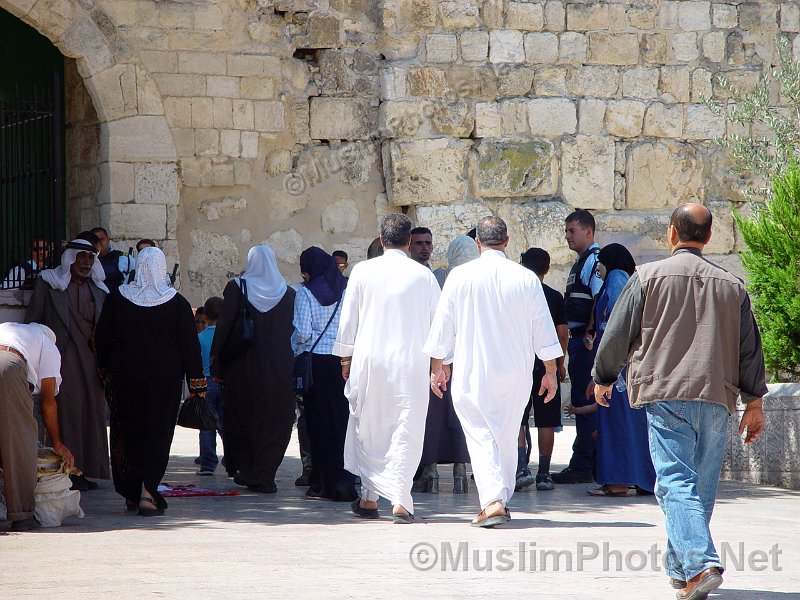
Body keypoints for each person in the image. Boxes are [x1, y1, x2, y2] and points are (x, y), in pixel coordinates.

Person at [592, 204, 767, 598]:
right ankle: (682, 570)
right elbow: (749, 350)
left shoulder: (646, 277)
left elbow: (618, 333)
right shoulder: (733, 286)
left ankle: (701, 564)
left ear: (672, 234)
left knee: (675, 484)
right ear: (707, 238)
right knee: (698, 490)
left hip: (666, 393)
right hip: (717, 396)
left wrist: (603, 376)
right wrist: (754, 402)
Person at [424, 217, 562, 527]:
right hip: (515, 373)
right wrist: (550, 371)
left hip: (473, 370)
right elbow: (544, 329)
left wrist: (437, 367)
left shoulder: (460, 277)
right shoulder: (526, 279)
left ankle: (493, 501)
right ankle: (500, 496)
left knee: (481, 434)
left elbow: (443, 327)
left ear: (477, 243)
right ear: (508, 241)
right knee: (505, 433)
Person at [334, 214, 440, 524]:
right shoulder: (424, 276)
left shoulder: (363, 271)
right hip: (411, 363)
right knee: (406, 428)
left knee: (370, 426)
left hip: (370, 361)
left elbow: (348, 318)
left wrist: (345, 359)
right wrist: (439, 364)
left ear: (382, 240)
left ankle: (369, 498)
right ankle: (401, 501)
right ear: (409, 241)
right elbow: (439, 326)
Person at [95, 247, 206, 516]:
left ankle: (131, 491)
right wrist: (197, 386)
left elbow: (102, 339)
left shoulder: (117, 300)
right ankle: (147, 493)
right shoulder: (177, 304)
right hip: (164, 383)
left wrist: (104, 371)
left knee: (128, 432)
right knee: (158, 433)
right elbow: (190, 348)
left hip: (125, 380)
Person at [210, 245, 295, 494]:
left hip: (242, 368)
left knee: (243, 417)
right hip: (278, 369)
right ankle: (265, 473)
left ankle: (248, 470)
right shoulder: (288, 293)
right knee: (274, 419)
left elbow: (224, 327)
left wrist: (216, 360)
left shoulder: (237, 288)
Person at [25, 238, 109, 492]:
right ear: (70, 258)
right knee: (68, 413)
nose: (85, 262)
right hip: (61, 360)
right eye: (81, 257)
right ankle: (66, 469)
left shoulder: (99, 290)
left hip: (92, 363)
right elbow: (33, 323)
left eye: (90, 258)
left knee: (92, 414)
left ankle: (86, 469)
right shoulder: (49, 283)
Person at [583, 243, 655, 498]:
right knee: (633, 423)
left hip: (617, 368)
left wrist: (602, 370)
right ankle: (643, 479)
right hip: (627, 366)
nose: (598, 270)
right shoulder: (626, 279)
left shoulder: (615, 278)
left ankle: (617, 482)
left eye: (600, 263)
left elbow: (617, 323)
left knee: (616, 423)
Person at [413, 235, 477, 494]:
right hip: (470, 358)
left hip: (440, 358)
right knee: (462, 414)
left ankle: (431, 471)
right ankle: (460, 471)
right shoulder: (481, 280)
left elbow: (437, 323)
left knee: (434, 415)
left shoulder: (441, 279)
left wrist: (436, 363)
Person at [292, 246, 356, 502]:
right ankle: (345, 482)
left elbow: (303, 333)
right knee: (342, 422)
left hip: (316, 364)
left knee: (318, 424)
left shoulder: (305, 294)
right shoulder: (346, 291)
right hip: (344, 362)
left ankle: (321, 483)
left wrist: (295, 349)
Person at [0, 322, 74, 531]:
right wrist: (58, 444)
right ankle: (22, 515)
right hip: (8, 364)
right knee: (20, 441)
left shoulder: (12, 330)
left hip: (6, 360)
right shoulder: (48, 344)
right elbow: (48, 401)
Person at [552, 209, 603, 485]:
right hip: (579, 340)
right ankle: (587, 461)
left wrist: (589, 335)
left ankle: (584, 463)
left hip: (585, 342)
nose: (567, 236)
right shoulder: (581, 262)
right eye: (566, 230)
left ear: (588, 232)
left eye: (572, 230)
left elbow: (598, 298)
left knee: (585, 402)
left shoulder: (593, 261)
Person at [517, 248, 568, 492]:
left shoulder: (517, 294)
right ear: (547, 269)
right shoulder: (554, 296)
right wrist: (559, 364)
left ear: (521, 265)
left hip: (521, 363)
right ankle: (544, 474)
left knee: (519, 417)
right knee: (546, 420)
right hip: (546, 363)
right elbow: (561, 333)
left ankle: (520, 468)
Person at [196, 296, 226, 476]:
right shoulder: (226, 335)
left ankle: (207, 463)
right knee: (226, 424)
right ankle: (232, 460)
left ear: (205, 315)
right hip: (224, 382)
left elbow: (197, 362)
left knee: (206, 425)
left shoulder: (200, 337)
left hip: (206, 383)